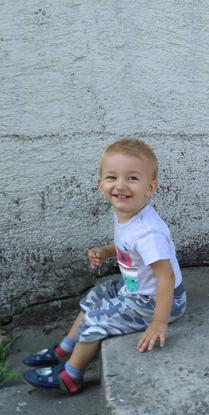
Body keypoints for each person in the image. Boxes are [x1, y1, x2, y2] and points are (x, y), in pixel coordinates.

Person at [22, 138, 186, 394]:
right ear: (101, 184)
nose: (120, 185)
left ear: (150, 187)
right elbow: (126, 247)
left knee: (96, 319)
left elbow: (165, 276)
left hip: (157, 301)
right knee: (96, 295)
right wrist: (107, 251)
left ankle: (71, 375)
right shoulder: (127, 214)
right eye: (112, 177)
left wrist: (158, 321)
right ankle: (66, 348)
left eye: (132, 178)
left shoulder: (148, 232)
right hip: (137, 288)